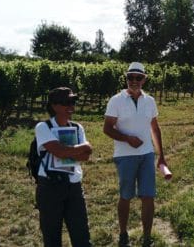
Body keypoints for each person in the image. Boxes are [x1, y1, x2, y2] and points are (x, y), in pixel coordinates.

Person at [103, 62, 167, 247]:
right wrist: (127, 139)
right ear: (126, 78)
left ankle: (147, 238)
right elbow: (107, 128)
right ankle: (123, 234)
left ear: (144, 80)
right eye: (130, 77)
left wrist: (160, 154)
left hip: (147, 154)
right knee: (126, 196)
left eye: (138, 77)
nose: (134, 81)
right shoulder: (116, 100)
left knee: (148, 196)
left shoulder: (150, 101)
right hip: (125, 156)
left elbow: (155, 128)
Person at [34, 87, 93, 247]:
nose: (71, 106)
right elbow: (59, 151)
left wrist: (68, 150)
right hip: (50, 187)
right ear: (54, 106)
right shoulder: (43, 127)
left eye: (73, 102)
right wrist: (83, 145)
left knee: (81, 235)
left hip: (74, 186)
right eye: (67, 102)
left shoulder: (77, 127)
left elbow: (85, 156)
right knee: (52, 236)